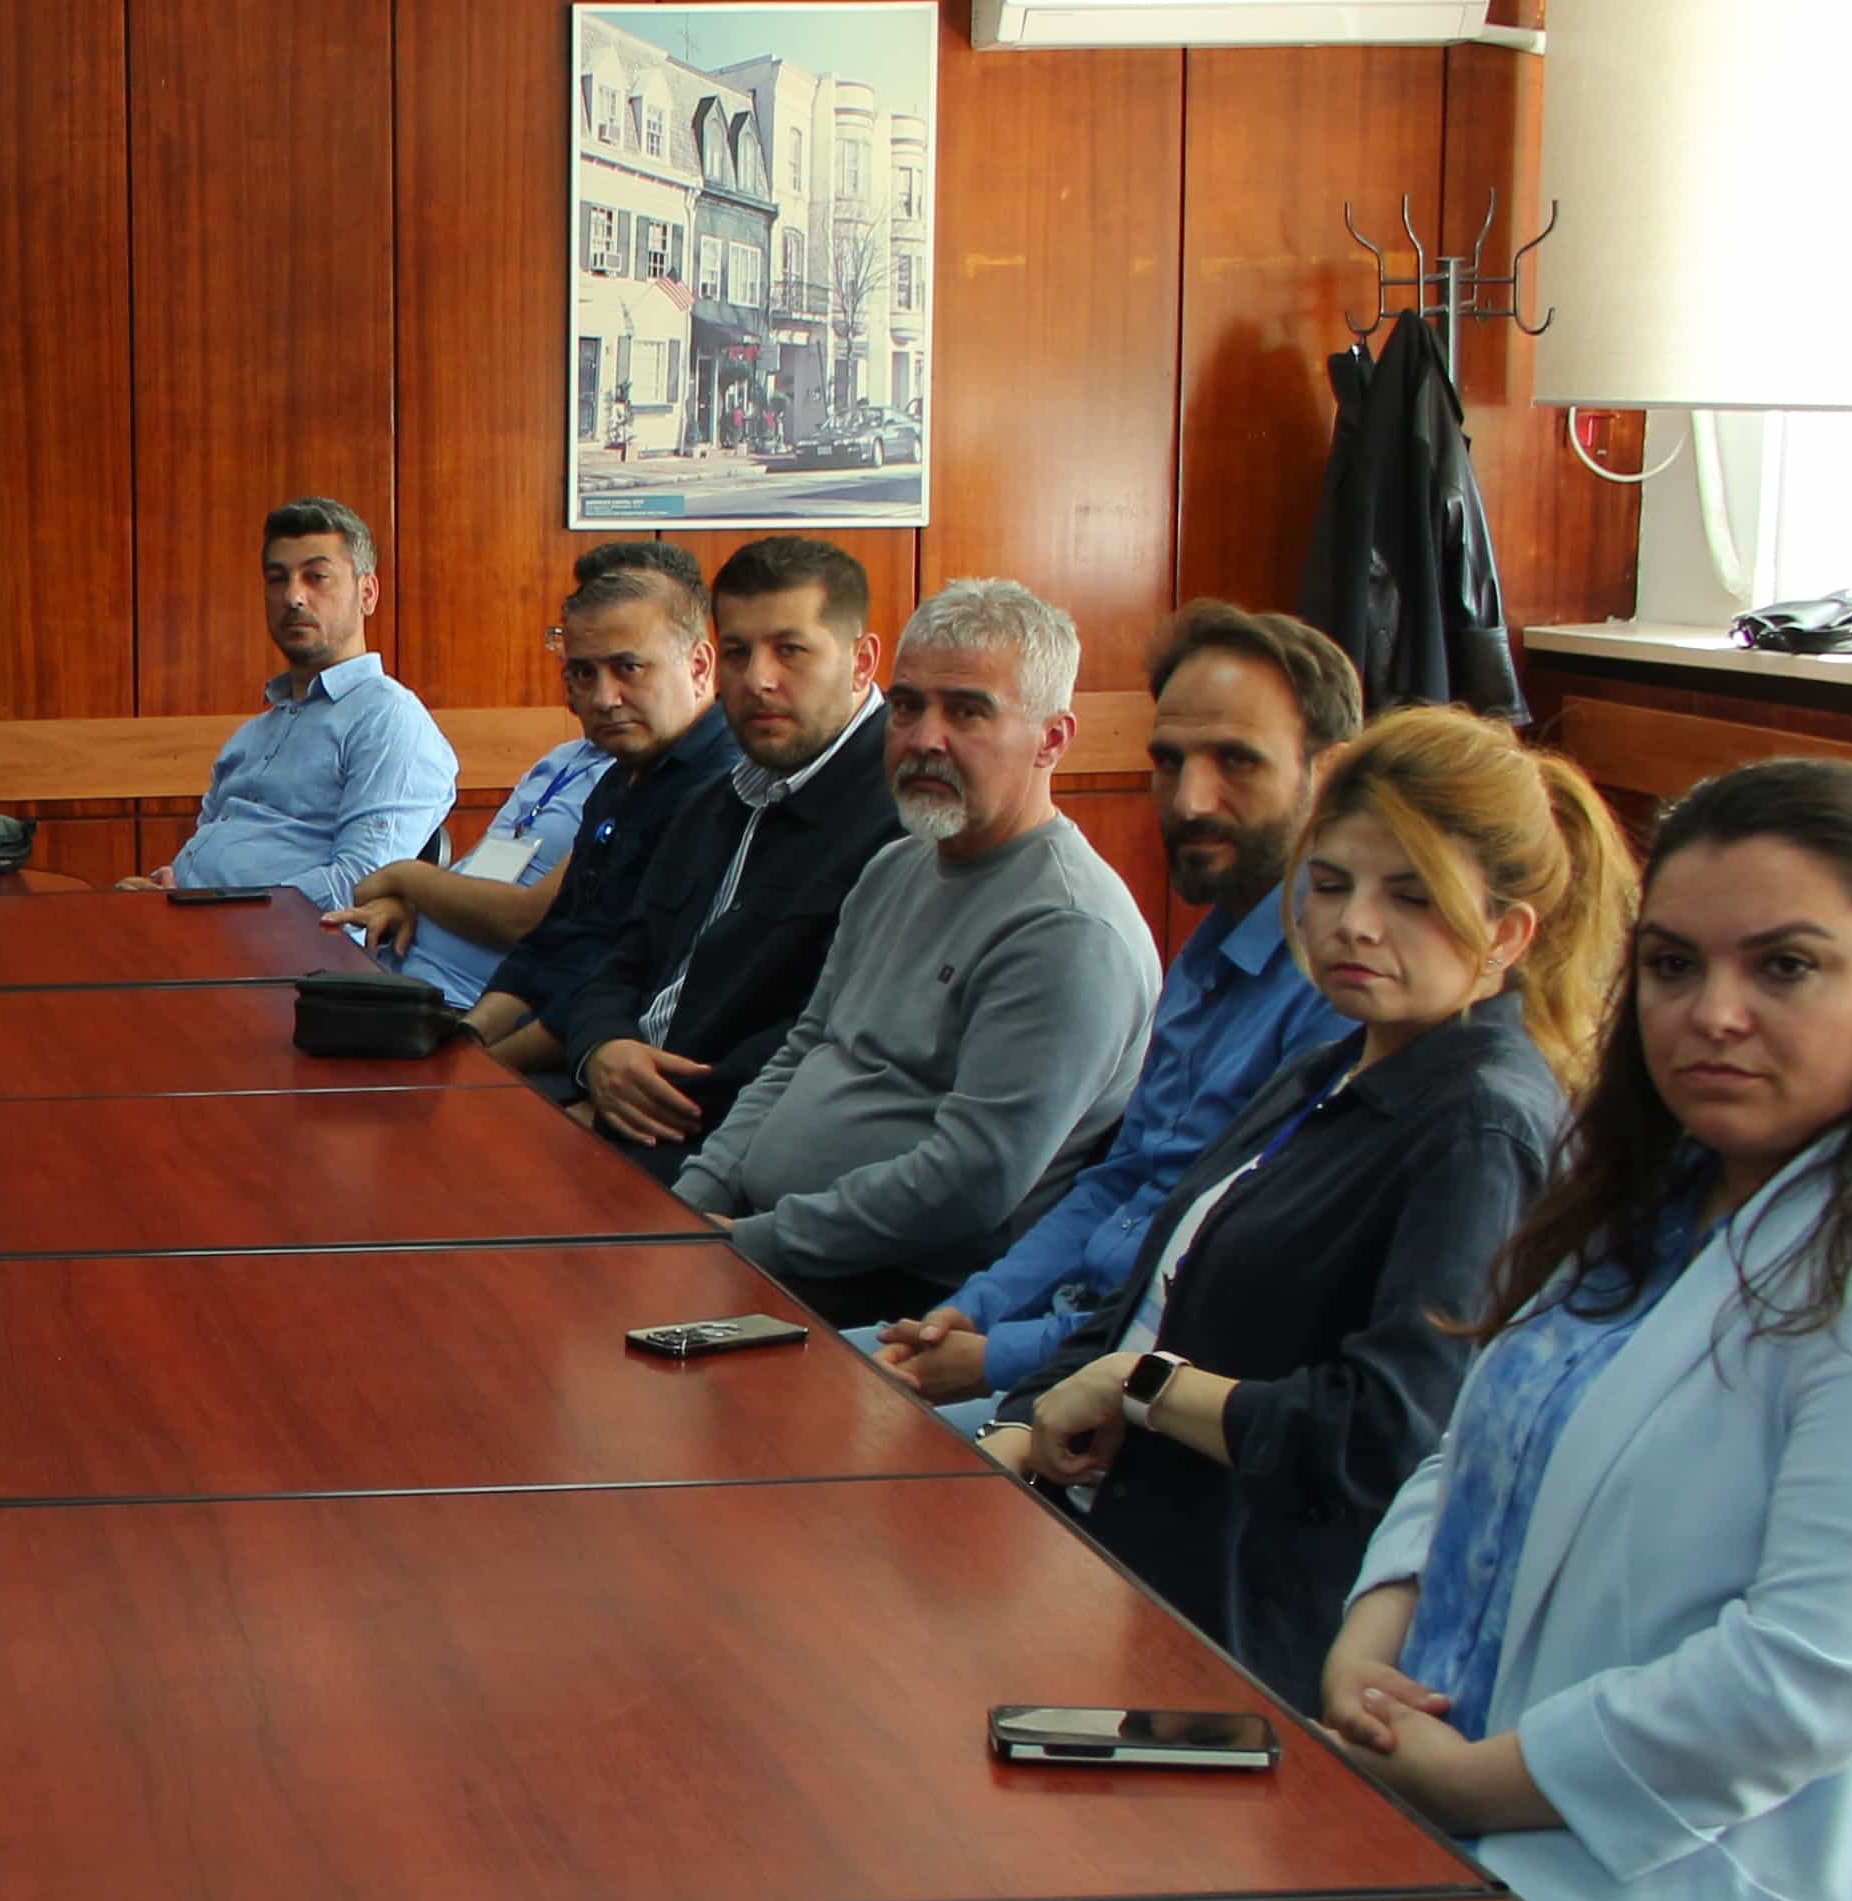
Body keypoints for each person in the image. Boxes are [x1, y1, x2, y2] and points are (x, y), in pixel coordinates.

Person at [1321, 759, 1852, 1901]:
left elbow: (1811, 1674)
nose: (1715, 1013)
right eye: (1674, 966)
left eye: (1787, 967)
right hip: (1498, 1838)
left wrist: (1483, 1780)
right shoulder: (1668, 1185)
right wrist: (1376, 1623)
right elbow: (1488, 1439)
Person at [986, 708, 1618, 1700]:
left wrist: (1140, 1387)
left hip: (1242, 1632)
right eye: (1329, 884)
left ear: (1505, 933)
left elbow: (1385, 1434)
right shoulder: (1335, 1062)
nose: (1353, 923)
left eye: (1411, 896)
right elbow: (1158, 1292)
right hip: (1110, 1533)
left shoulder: (1478, 1127)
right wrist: (1019, 1428)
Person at [874, 603, 1360, 1414]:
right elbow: (1122, 1182)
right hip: (1053, 1335)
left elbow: (1230, 1289)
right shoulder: (1211, 950)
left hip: (1140, 1389)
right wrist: (975, 1308)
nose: (1191, 800)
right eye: (1169, 762)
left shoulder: (1339, 994)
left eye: (1236, 761)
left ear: (1333, 776)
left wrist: (1000, 1356)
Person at [669, 576, 1158, 1321]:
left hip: (898, 1298)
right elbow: (803, 1052)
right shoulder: (896, 867)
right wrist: (686, 1207)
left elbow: (969, 1185)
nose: (925, 739)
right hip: (763, 1244)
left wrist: (747, 1243)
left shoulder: (1068, 929)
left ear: (1053, 740)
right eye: (906, 707)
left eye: (967, 712)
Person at [539, 534, 900, 1168]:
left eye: (790, 650)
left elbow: (828, 1037)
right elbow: (624, 958)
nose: (758, 680)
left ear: (861, 662)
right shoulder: (713, 800)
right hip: (616, 1100)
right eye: (738, 652)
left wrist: (625, 1105)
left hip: (725, 1146)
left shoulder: (898, 817)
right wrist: (600, 1049)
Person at [341, 538, 698, 1009]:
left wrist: (407, 878)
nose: (601, 686)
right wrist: (406, 904)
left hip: (461, 1004)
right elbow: (476, 872)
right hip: (397, 967)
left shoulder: (647, 780)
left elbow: (530, 921)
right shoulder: (563, 759)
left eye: (626, 659)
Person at [470, 547, 732, 1071]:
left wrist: (485, 1072)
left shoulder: (724, 790)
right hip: (541, 1044)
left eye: (628, 668)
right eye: (584, 674)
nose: (604, 698)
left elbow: (635, 979)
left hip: (619, 1062)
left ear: (700, 667)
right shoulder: (618, 778)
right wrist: (466, 1038)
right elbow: (551, 940)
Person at [130, 499, 458, 913]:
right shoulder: (252, 736)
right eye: (277, 579)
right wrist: (163, 891)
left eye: (316, 577)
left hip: (280, 943)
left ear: (367, 593)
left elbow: (360, 884)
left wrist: (206, 911)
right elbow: (214, 855)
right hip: (192, 926)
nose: (292, 597)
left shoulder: (389, 720)